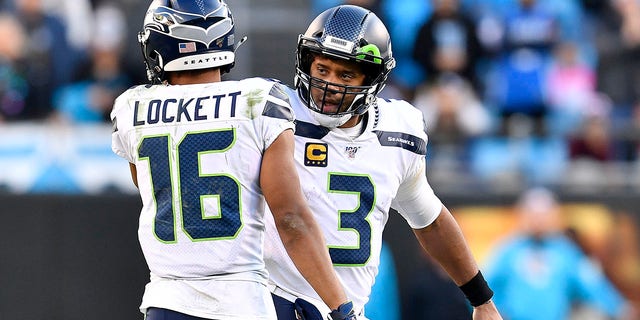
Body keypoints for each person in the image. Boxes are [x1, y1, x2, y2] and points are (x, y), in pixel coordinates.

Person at [110, 1, 357, 319]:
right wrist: (342, 308)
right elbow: (291, 220)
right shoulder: (260, 101)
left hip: (166, 302)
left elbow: (150, 187)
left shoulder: (132, 108)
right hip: (240, 303)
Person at [263, 5, 502, 320]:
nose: (329, 85)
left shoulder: (397, 130)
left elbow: (429, 219)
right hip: (274, 301)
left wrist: (481, 300)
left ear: (373, 78)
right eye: (322, 69)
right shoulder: (272, 113)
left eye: (345, 74)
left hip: (343, 310)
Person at [484, 187, 628, 320]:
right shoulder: (507, 250)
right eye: (533, 214)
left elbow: (592, 285)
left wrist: (619, 308)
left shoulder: (565, 251)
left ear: (554, 215)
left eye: (543, 214)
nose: (538, 220)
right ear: (522, 215)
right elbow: (483, 288)